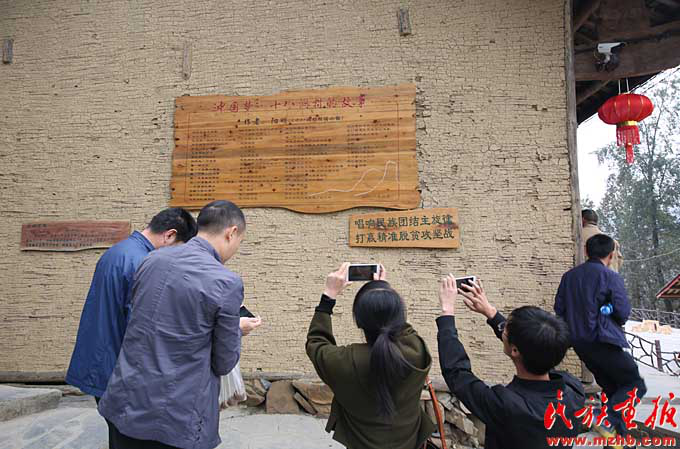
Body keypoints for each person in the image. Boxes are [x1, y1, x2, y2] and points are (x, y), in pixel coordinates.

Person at [98, 200, 258, 449]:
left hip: (126, 398)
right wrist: (237, 330)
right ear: (231, 232)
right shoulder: (226, 282)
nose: (236, 248)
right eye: (240, 241)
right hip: (176, 414)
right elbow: (224, 361)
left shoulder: (152, 259)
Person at [437, 275, 584, 449]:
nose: (504, 329)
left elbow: (457, 374)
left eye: (506, 329)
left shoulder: (507, 405)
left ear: (515, 350)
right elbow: (539, 349)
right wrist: (491, 313)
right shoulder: (574, 391)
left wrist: (447, 312)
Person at [66, 208, 198, 401]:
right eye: (179, 249)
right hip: (119, 368)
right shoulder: (145, 263)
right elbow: (143, 325)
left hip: (100, 357)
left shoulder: (118, 251)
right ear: (170, 235)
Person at [306, 263, 435, 449]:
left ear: (358, 321)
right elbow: (404, 328)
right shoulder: (416, 351)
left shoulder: (343, 361)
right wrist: (384, 294)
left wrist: (329, 295)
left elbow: (316, 343)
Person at [555, 233, 646, 440]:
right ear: (611, 255)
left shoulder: (569, 277)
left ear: (586, 251)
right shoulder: (610, 277)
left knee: (613, 389)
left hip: (579, 343)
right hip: (603, 340)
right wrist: (608, 310)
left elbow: (559, 309)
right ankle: (606, 419)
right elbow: (622, 313)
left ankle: (617, 440)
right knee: (633, 384)